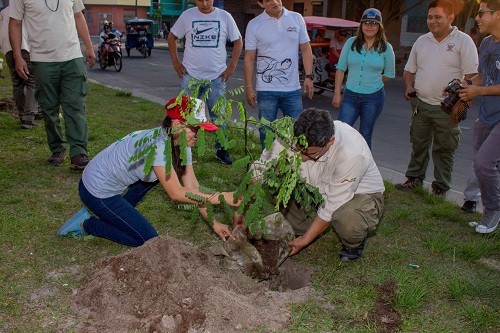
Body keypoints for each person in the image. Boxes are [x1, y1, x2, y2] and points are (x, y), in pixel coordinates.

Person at [58, 96, 241, 246]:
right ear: (177, 123)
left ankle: (117, 215)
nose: (200, 135)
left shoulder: (179, 141)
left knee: (159, 177)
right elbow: (176, 193)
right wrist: (227, 197)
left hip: (114, 177)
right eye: (196, 129)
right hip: (96, 191)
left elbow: (192, 186)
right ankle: (87, 223)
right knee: (147, 239)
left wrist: (213, 222)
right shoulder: (160, 147)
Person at [251, 108, 385, 261]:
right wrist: (242, 206)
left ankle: (353, 243)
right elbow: (261, 169)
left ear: (330, 142)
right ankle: (307, 223)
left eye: (309, 154)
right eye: (298, 150)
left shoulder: (351, 154)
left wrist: (306, 240)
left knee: (347, 221)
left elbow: (333, 204)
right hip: (316, 188)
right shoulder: (290, 133)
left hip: (358, 195)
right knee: (276, 182)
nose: (301, 158)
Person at [395, 0, 478, 196]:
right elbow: (409, 70)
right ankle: (414, 179)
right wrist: (408, 86)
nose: (432, 21)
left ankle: (440, 187)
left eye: (437, 17)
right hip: (420, 105)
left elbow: (472, 75)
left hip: (447, 108)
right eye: (430, 17)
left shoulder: (463, 41)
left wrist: (458, 89)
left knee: (444, 148)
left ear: (451, 17)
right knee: (418, 144)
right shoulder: (421, 41)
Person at [9, 0, 95, 170]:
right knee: (49, 108)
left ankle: (78, 153)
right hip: (42, 60)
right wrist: (18, 56)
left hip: (72, 57)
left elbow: (78, 15)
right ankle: (57, 148)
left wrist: (89, 46)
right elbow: (15, 23)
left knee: (75, 105)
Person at [167, 0, 243, 165]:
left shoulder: (225, 16)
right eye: (200, 0)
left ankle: (222, 149)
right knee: (187, 115)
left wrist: (232, 66)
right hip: (191, 77)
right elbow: (171, 37)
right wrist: (175, 62)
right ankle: (182, 149)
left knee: (219, 116)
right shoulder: (187, 15)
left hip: (216, 77)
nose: (204, 3)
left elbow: (238, 41)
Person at [244, 0, 314, 150]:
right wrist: (249, 87)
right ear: (261, 4)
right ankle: (268, 166)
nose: (275, 2)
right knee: (266, 133)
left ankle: (295, 167)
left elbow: (306, 50)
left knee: (298, 132)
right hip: (266, 90)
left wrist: (309, 76)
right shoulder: (254, 24)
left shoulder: (296, 18)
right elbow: (249, 58)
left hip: (293, 90)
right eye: (269, 0)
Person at [458, 0, 499, 234]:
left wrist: (478, 91)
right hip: (486, 115)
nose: (478, 18)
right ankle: (490, 213)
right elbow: (484, 76)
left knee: (485, 163)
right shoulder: (485, 43)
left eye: (482, 13)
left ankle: (493, 210)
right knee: (483, 164)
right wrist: (466, 85)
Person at [332, 8, 395, 149]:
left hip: (374, 98)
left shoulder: (386, 47)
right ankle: (339, 166)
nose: (369, 26)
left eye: (374, 23)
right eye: (366, 23)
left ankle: (363, 169)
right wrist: (337, 93)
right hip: (350, 96)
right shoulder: (351, 43)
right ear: (361, 25)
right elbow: (341, 69)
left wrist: (373, 81)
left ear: (379, 26)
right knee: (340, 133)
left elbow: (390, 74)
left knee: (365, 135)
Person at [0, 2, 38, 129]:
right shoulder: (25, 8)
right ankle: (28, 117)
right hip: (23, 48)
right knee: (32, 81)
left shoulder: (4, 12)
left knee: (17, 83)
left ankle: (22, 115)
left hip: (7, 49)